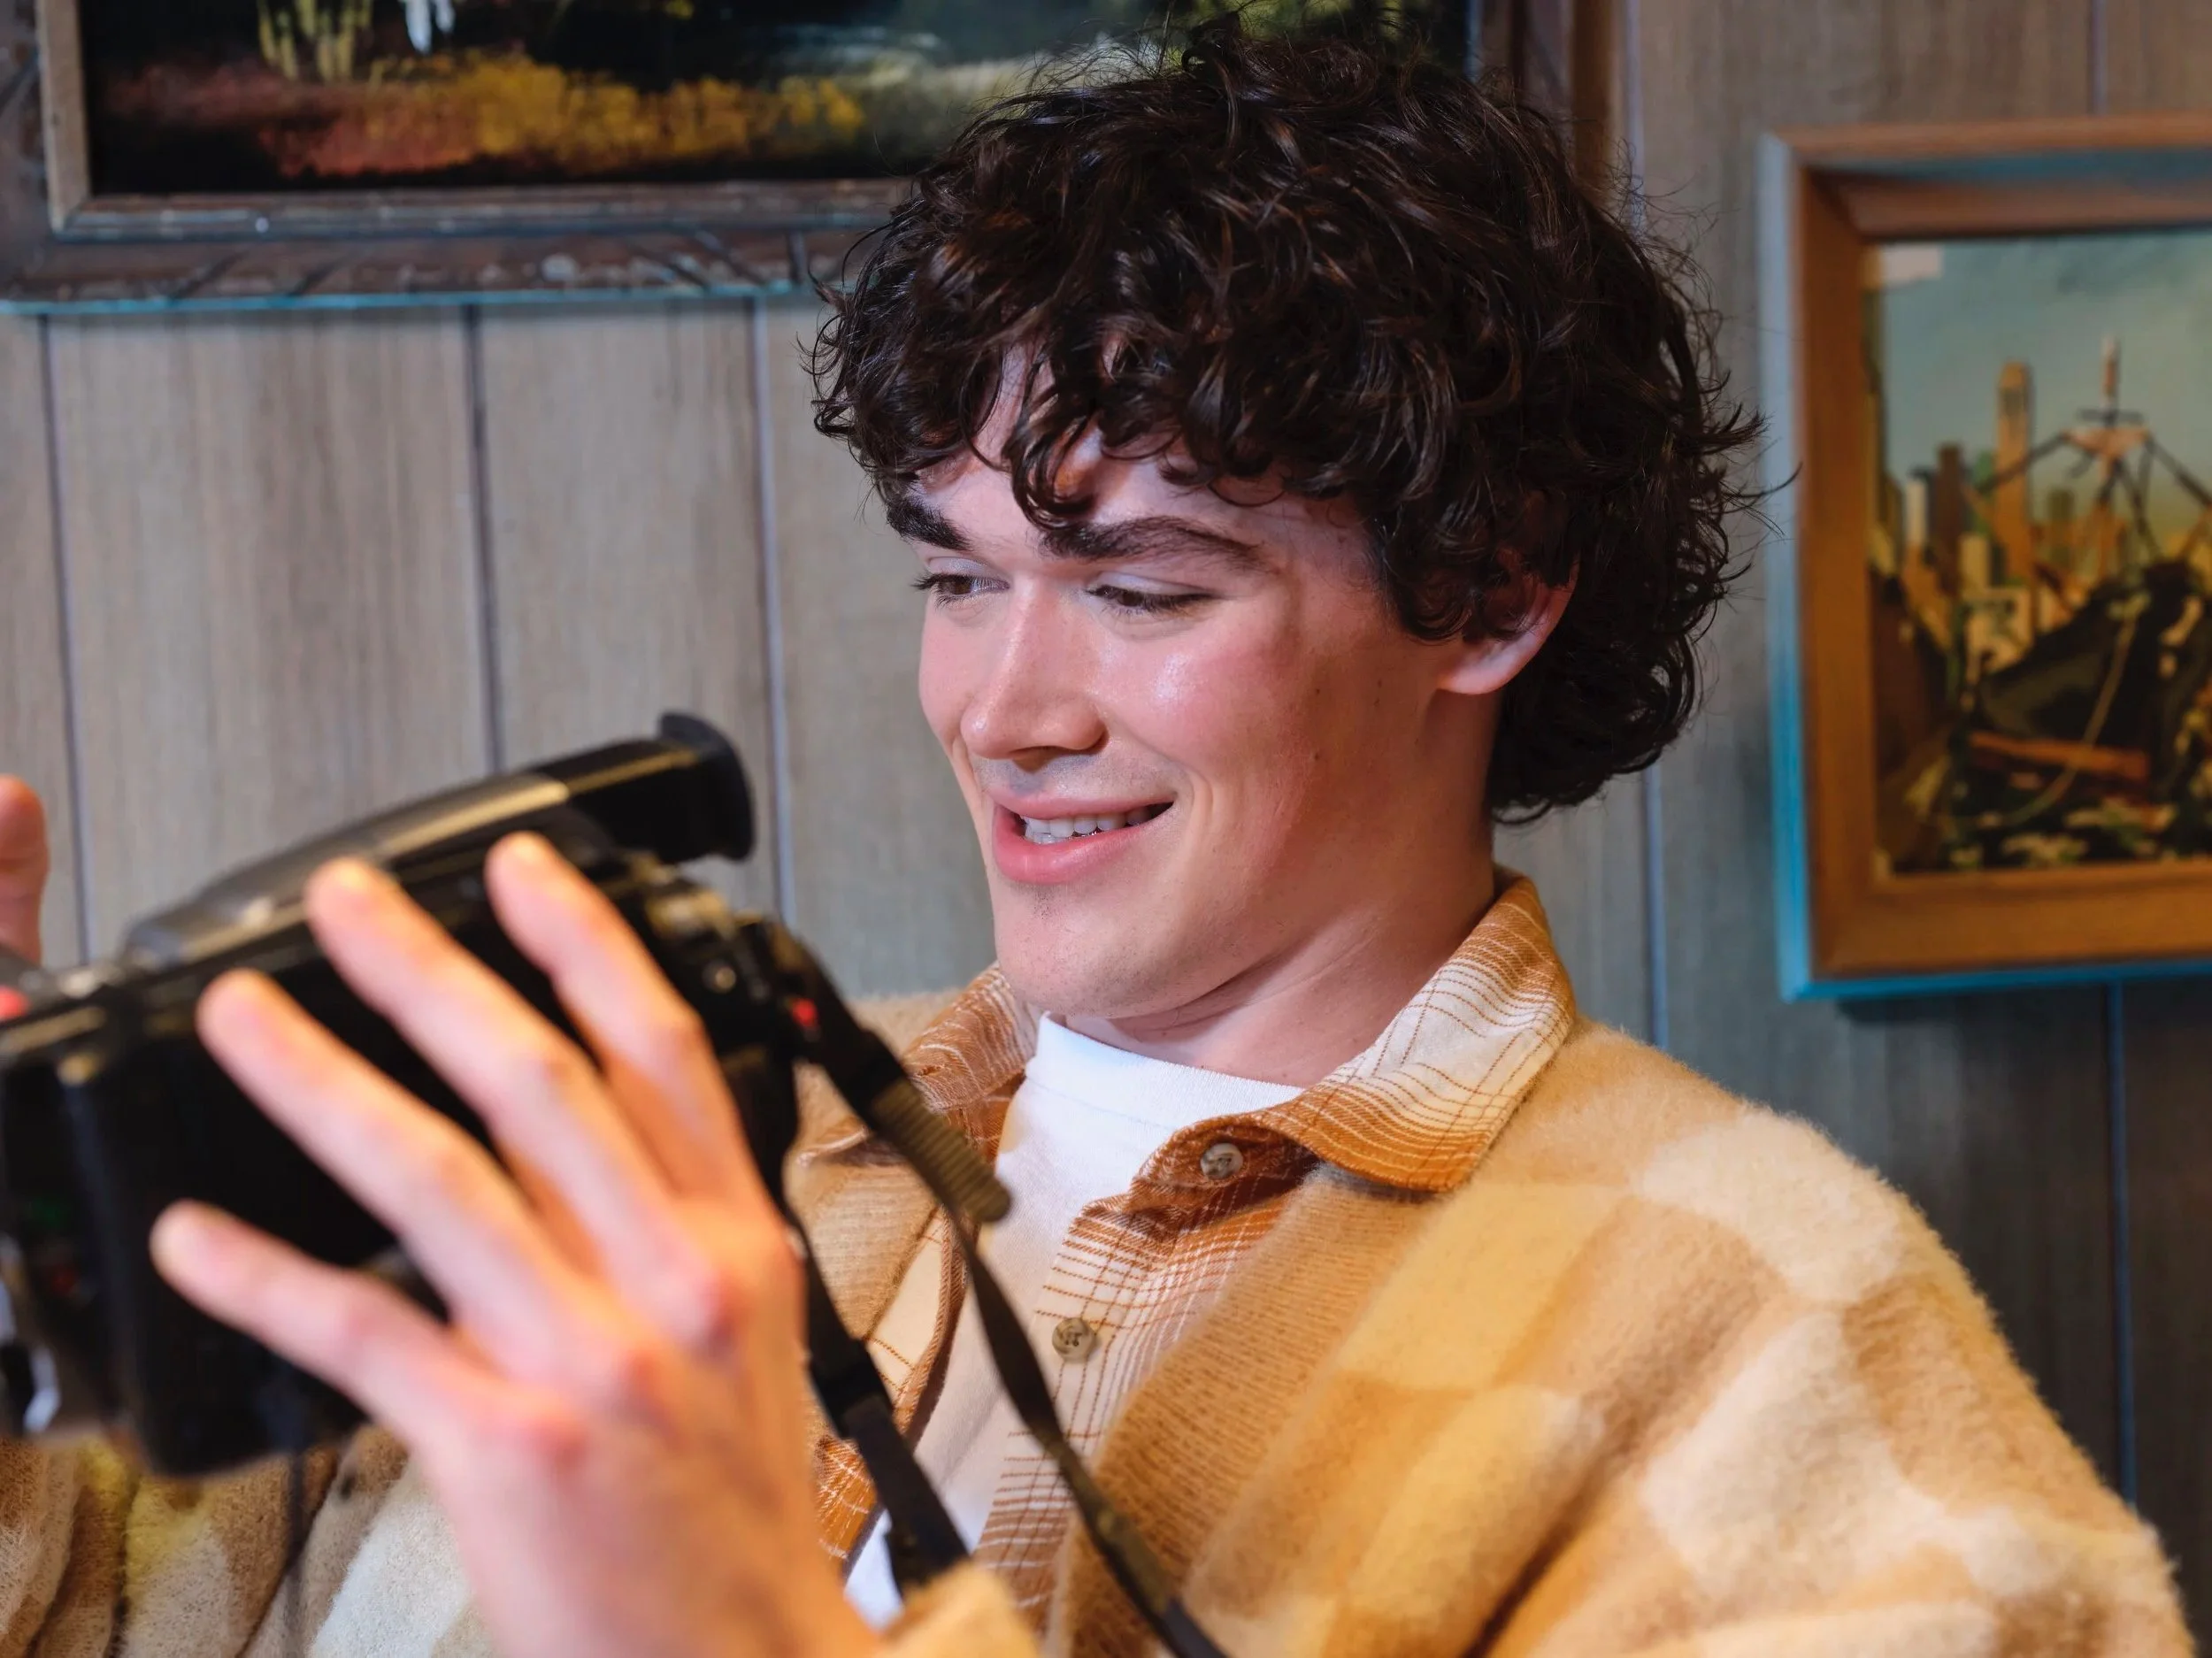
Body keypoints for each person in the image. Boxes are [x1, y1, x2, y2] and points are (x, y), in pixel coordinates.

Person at [0, 19, 2190, 1658]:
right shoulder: (649, 1158)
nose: (1003, 706)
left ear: (1493, 592)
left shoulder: (1758, 1335)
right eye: (955, 577)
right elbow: (98, 1604)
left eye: (1144, 587)